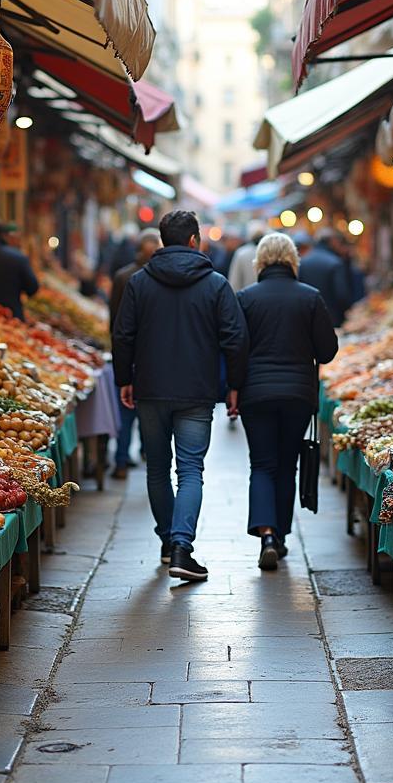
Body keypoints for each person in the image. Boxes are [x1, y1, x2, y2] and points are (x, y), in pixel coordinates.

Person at [112, 210, 248, 581]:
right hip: (196, 391)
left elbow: (122, 335)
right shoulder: (216, 284)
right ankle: (181, 547)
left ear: (162, 241)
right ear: (193, 240)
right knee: (190, 470)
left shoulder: (139, 282)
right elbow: (235, 338)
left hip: (150, 389)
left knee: (156, 468)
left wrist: (124, 378)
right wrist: (234, 384)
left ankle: (167, 539)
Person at [236, 233, 338, 570]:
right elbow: (328, 350)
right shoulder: (310, 298)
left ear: (260, 262)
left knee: (262, 464)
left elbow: (235, 351)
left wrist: (232, 389)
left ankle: (266, 534)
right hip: (297, 395)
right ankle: (279, 537)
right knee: (287, 464)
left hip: (256, 394)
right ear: (293, 260)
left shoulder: (246, 299)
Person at [108, 228, 161, 480]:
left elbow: (116, 324)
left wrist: (120, 367)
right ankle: (149, 457)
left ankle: (120, 460)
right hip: (151, 358)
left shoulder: (122, 276)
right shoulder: (159, 280)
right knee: (148, 414)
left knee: (126, 414)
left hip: (130, 355)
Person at [298, 228, 352, 327]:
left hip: (308, 316)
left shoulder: (303, 261)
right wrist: (346, 312)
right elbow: (341, 294)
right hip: (332, 317)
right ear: (332, 241)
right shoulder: (335, 262)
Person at [227, 221, 266, 292]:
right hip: (265, 294)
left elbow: (235, 281)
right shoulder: (269, 251)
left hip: (246, 296)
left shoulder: (241, 252)